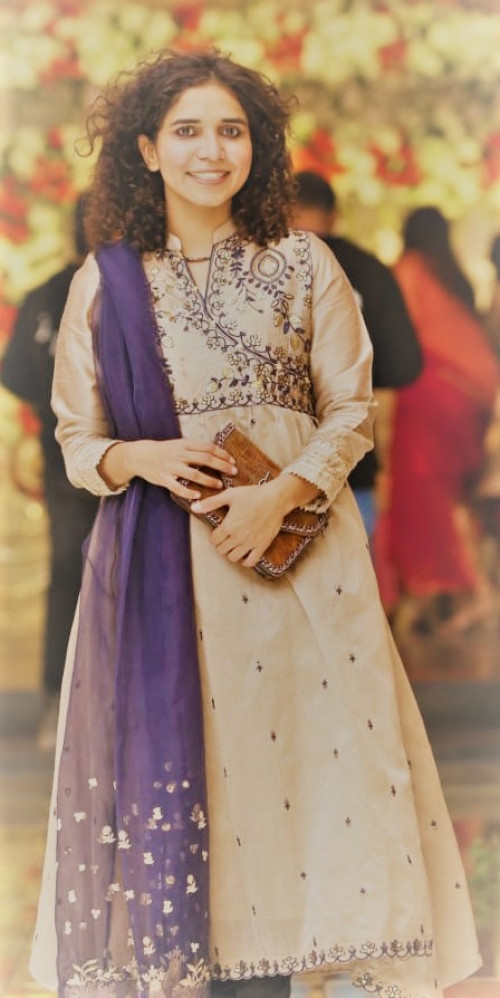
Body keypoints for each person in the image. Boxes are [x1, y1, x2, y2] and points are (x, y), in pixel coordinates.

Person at [30, 50, 480, 998]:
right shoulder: (107, 285)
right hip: (171, 574)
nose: (211, 150)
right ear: (146, 150)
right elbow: (78, 439)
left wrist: (282, 495)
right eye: (188, 131)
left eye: (231, 130)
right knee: (214, 775)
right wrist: (141, 458)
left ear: (257, 148)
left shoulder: (305, 262)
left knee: (323, 774)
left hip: (304, 567)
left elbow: (351, 411)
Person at [0, 195, 99, 750]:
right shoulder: (118, 288)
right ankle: (68, 706)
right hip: (101, 465)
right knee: (93, 578)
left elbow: (16, 375)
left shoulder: (46, 294)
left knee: (69, 578)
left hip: (71, 465)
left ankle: (60, 707)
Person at [382, 206, 500, 632]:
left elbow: (395, 336)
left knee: (422, 494)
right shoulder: (453, 277)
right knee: (450, 498)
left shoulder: (409, 271)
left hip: (429, 395)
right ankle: (456, 593)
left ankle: (457, 589)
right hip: (472, 398)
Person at [292, 170, 422, 539]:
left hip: (278, 468)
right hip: (353, 468)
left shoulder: (264, 267)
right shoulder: (370, 270)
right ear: (334, 215)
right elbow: (402, 367)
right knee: (353, 570)